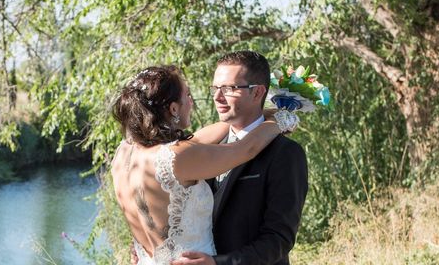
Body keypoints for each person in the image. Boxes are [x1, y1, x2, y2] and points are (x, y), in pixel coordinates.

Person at [111, 65, 298, 265]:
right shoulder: (179, 157)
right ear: (173, 109)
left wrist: (256, 114)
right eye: (187, 95)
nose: (191, 101)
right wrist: (282, 120)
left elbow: (199, 139)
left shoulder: (124, 153)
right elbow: (245, 149)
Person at [175, 51, 308, 265]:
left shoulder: (286, 153)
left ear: (257, 93)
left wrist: (219, 263)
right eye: (215, 88)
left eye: (229, 89)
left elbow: (279, 239)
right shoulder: (205, 147)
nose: (218, 98)